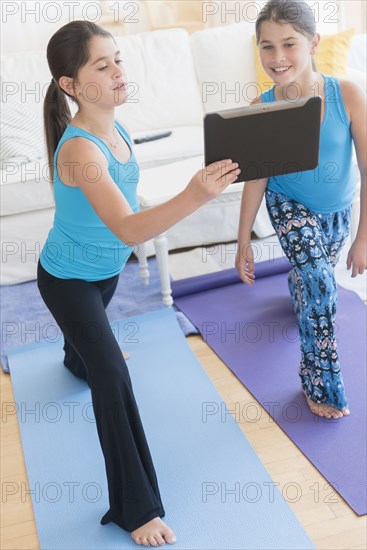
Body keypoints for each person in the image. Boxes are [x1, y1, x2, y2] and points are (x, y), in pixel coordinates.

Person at [38, 20, 240, 547]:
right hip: (68, 282)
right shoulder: (81, 150)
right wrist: (195, 195)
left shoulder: (118, 130)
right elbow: (128, 228)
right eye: (101, 67)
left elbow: (129, 205)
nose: (118, 73)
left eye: (118, 60)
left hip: (105, 276)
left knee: (88, 347)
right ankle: (136, 509)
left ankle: (76, 355)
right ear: (71, 86)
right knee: (113, 379)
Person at [235, 0, 366, 420]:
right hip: (287, 202)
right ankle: (320, 384)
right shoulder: (262, 106)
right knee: (321, 283)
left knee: (313, 278)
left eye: (288, 44)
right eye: (266, 47)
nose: (277, 58)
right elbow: (256, 177)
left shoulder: (347, 94)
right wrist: (242, 241)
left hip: (337, 210)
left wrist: (363, 237)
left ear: (313, 42)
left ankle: (299, 287)